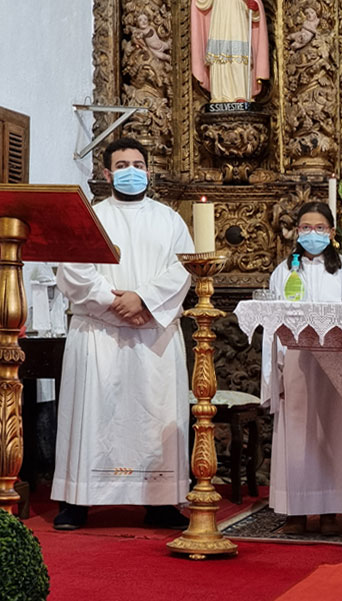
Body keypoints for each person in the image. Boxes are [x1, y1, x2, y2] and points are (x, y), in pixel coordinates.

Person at [51, 137, 194, 530]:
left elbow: (184, 268)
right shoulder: (92, 218)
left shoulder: (170, 220)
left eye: (139, 164)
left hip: (154, 334)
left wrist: (143, 300)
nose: (132, 171)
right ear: (107, 173)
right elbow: (74, 269)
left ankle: (160, 501)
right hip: (100, 333)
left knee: (153, 414)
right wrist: (116, 303)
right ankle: (79, 500)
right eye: (123, 165)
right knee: (95, 415)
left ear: (148, 170)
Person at [264, 202, 342, 535]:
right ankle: (295, 511)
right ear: (297, 233)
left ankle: (330, 512)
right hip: (295, 361)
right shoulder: (284, 272)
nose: (313, 234)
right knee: (296, 437)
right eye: (306, 228)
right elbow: (273, 323)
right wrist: (275, 372)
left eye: (320, 228)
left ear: (332, 233)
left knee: (331, 436)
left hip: (335, 364)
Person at [191, 0, 270, 103]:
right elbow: (203, 3)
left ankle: (240, 93)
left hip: (238, 13)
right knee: (220, 52)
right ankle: (219, 94)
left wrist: (254, 7)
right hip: (220, 14)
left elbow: (254, 8)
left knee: (238, 51)